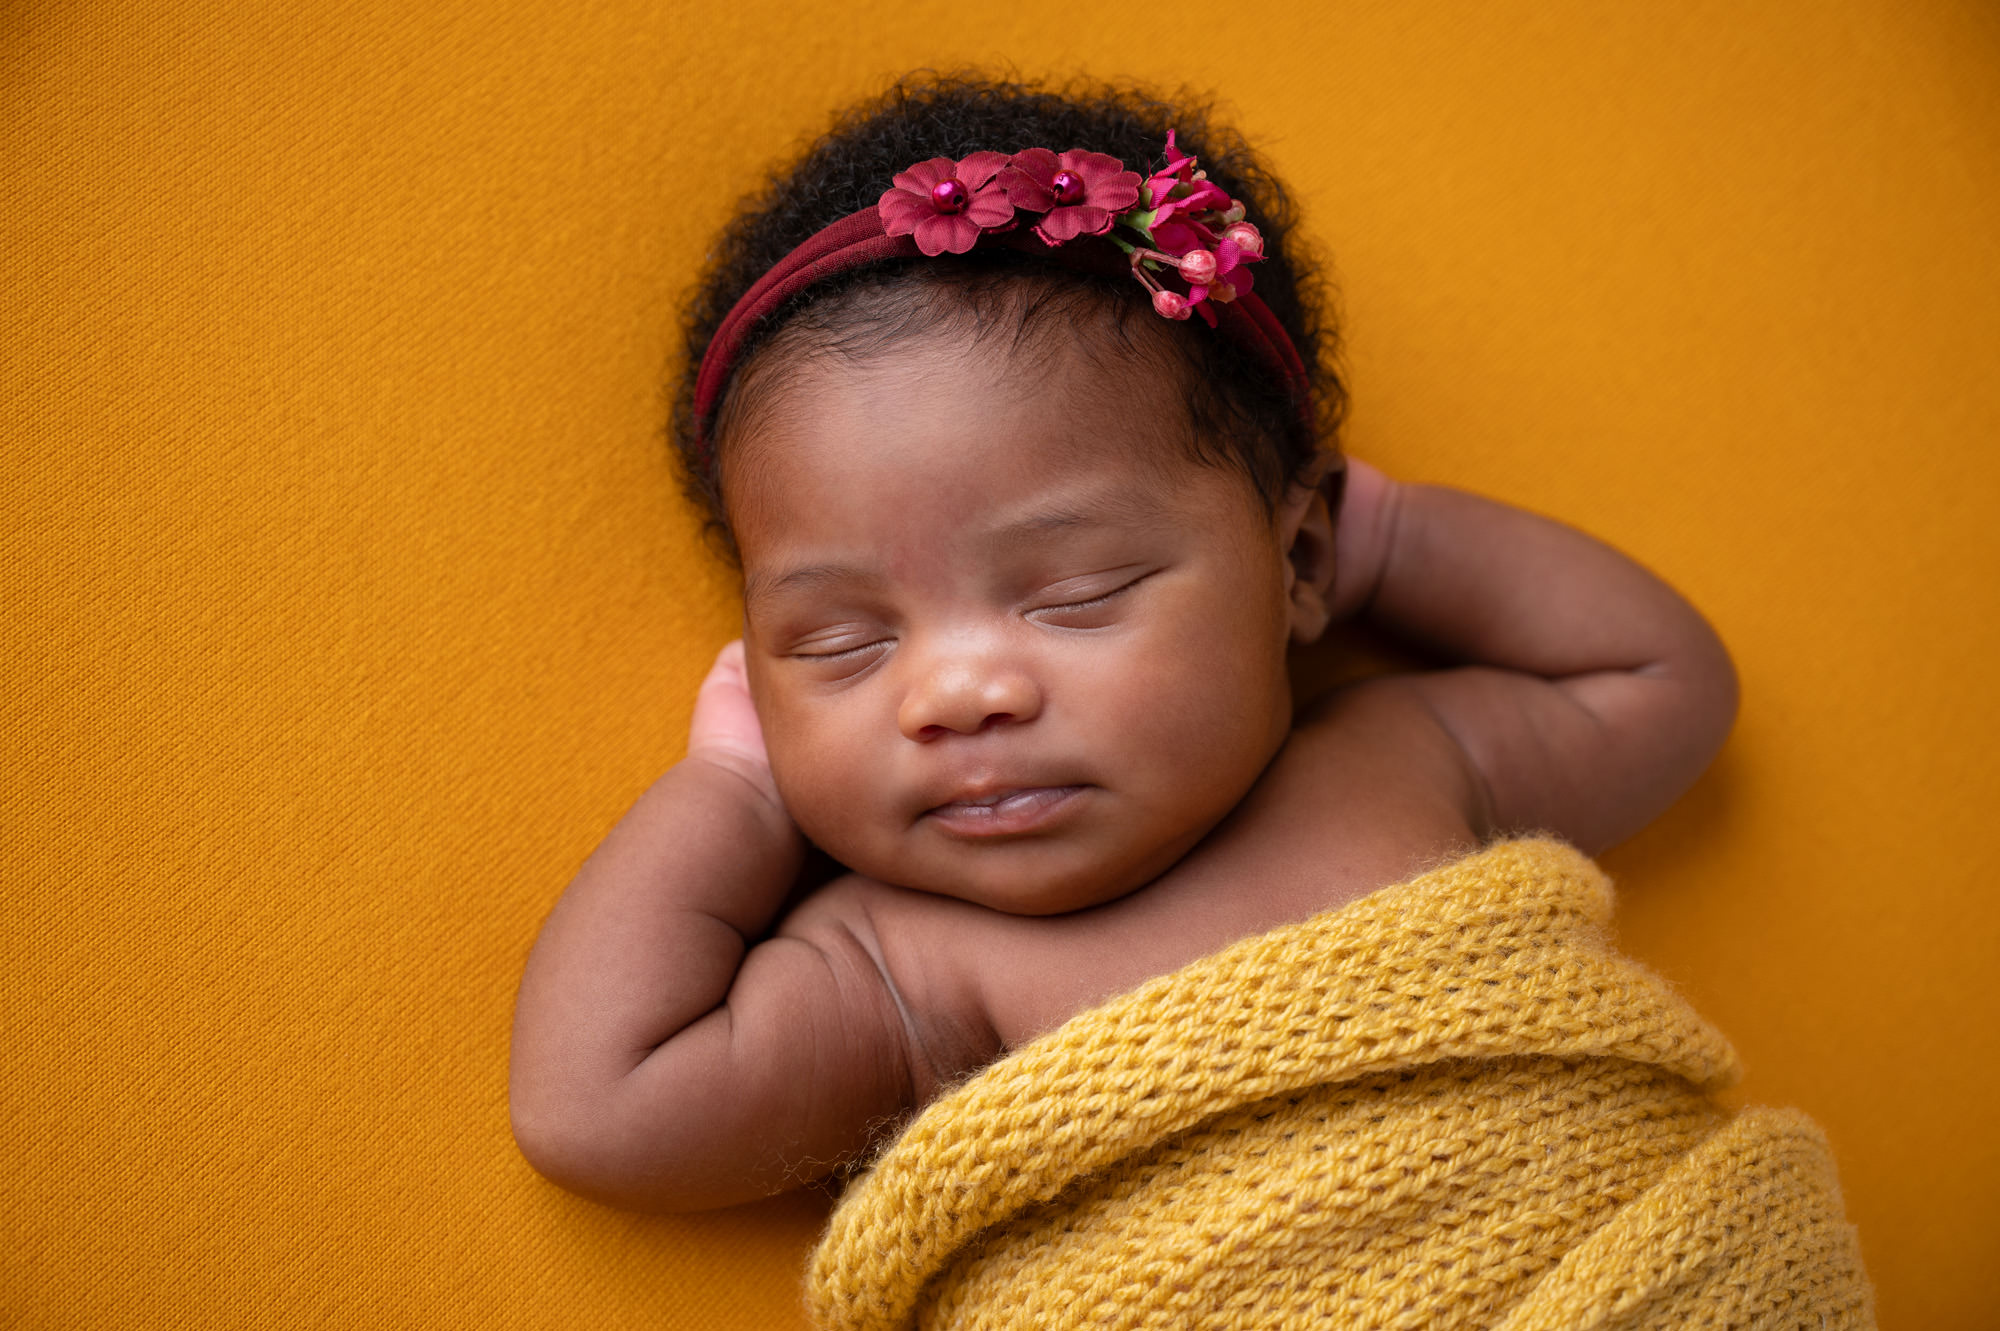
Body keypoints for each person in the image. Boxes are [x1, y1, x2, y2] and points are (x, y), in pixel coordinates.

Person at [506, 76, 1739, 1215]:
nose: (956, 692)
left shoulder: (1398, 759)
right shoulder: (902, 967)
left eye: (1076, 592)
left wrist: (1388, 537)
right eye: (838, 642)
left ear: (1299, 560)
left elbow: (1658, 679)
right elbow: (597, 1106)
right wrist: (733, 791)